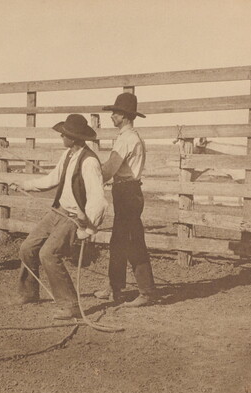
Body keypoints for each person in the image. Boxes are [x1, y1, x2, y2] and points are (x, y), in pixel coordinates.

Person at [12, 114, 107, 320]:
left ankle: (70, 305)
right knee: (27, 247)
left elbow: (98, 199)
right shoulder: (68, 155)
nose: (61, 136)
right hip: (59, 211)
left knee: (48, 254)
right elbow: (52, 179)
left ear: (73, 138)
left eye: (64, 133)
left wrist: (88, 228)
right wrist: (24, 184)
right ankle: (29, 292)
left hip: (74, 218)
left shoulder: (89, 162)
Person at [94, 92, 156, 307]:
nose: (112, 116)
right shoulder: (128, 137)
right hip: (126, 192)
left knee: (132, 241)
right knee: (119, 241)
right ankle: (115, 287)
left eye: (115, 112)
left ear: (125, 116)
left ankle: (146, 292)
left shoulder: (127, 139)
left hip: (127, 193)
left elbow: (109, 169)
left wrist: (90, 177)